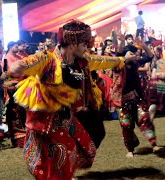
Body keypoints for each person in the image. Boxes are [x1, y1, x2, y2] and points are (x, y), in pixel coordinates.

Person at [8, 20, 135, 180]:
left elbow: (102, 60)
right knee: (55, 161)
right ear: (73, 43)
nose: (87, 47)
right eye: (84, 43)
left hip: (69, 117)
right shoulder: (48, 59)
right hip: (48, 122)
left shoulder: (82, 61)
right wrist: (18, 67)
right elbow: (28, 63)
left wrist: (123, 59)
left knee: (95, 133)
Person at [110, 38, 161, 158]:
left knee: (145, 119)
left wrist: (143, 45)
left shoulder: (135, 63)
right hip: (121, 101)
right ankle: (130, 150)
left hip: (136, 98)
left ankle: (154, 145)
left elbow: (150, 57)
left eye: (135, 52)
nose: (135, 54)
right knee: (126, 125)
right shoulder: (118, 65)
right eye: (131, 53)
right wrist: (121, 42)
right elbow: (118, 54)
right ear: (125, 55)